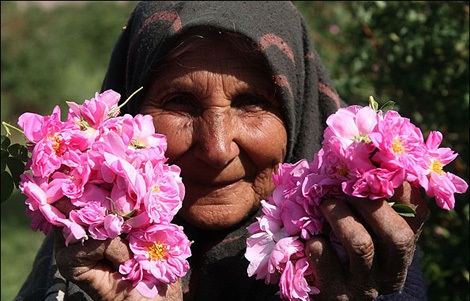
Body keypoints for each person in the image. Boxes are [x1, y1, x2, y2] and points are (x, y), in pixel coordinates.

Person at [15, 2, 429, 301]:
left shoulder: (368, 262)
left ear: (298, 112)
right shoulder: (80, 270)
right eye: (180, 102)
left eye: (253, 103)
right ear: (127, 116)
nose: (216, 149)